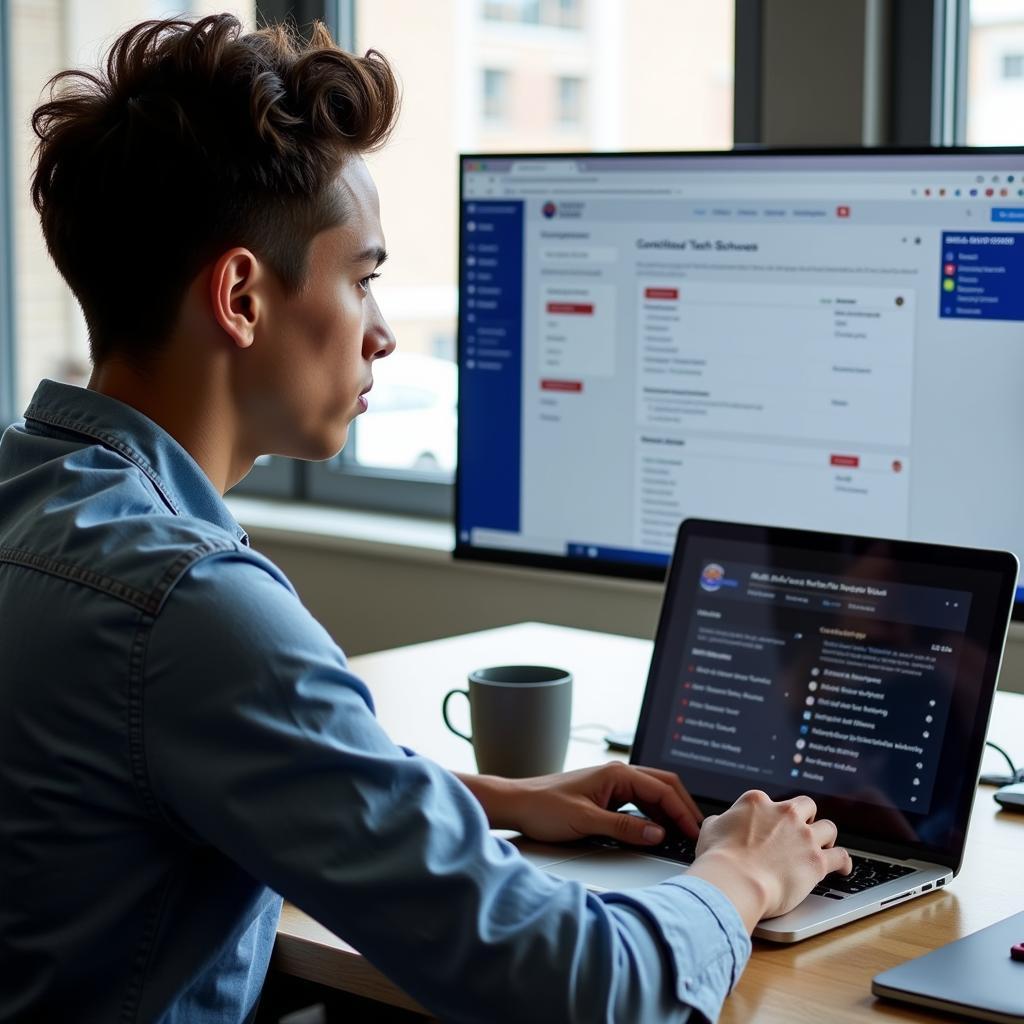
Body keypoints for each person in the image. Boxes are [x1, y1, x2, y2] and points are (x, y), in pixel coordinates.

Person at [0, 14, 851, 1023]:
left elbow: (157, 755)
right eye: (361, 277)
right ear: (239, 295)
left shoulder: (44, 510)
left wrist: (489, 797)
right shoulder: (187, 608)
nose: (386, 333)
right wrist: (741, 879)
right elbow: (579, 995)